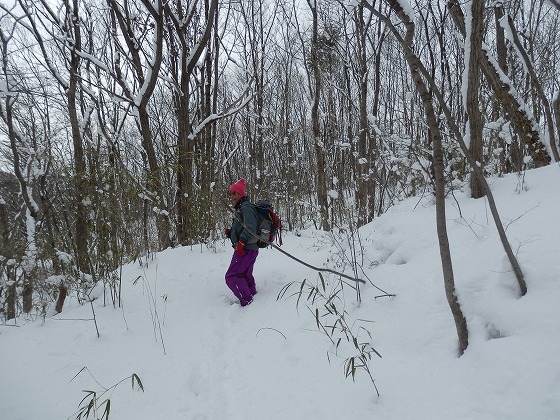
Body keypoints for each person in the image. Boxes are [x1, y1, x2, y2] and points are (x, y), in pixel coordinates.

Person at [224, 179, 259, 306]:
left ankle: (247, 300)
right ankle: (253, 295)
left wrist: (242, 242)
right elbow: (243, 226)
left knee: (232, 276)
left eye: (234, 193)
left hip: (246, 249)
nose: (232, 197)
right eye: (231, 194)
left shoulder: (246, 207)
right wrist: (231, 233)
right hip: (249, 248)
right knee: (245, 274)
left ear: (241, 194)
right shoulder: (242, 208)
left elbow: (251, 227)